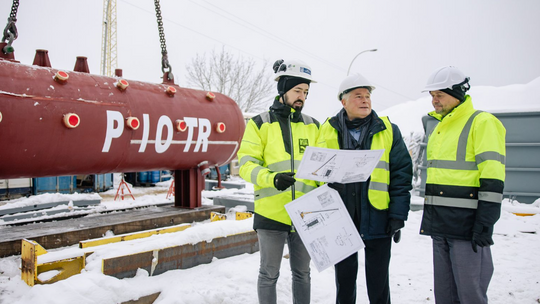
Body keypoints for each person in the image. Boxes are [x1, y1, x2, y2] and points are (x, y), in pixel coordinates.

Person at [316, 73, 413, 304]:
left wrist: (398, 215)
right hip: (341, 217)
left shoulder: (389, 130)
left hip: (378, 216)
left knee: (379, 284)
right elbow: (316, 174)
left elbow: (401, 175)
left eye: (367, 96)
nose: (365, 100)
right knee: (344, 283)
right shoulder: (326, 130)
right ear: (343, 102)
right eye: (358, 96)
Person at [419, 66, 506, 304]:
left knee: (470, 294)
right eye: (432, 95)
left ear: (457, 93)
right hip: (441, 223)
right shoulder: (439, 127)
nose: (434, 100)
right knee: (445, 295)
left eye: (439, 94)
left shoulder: (482, 122)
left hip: (468, 226)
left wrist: (485, 222)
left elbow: (493, 175)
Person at [237, 59, 320, 304]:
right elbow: (246, 165)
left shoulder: (314, 126)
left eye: (305, 92)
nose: (302, 97)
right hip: (271, 212)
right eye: (297, 91)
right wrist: (271, 178)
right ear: (282, 89)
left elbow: (323, 168)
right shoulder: (260, 124)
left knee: (303, 274)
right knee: (269, 273)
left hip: (306, 213)